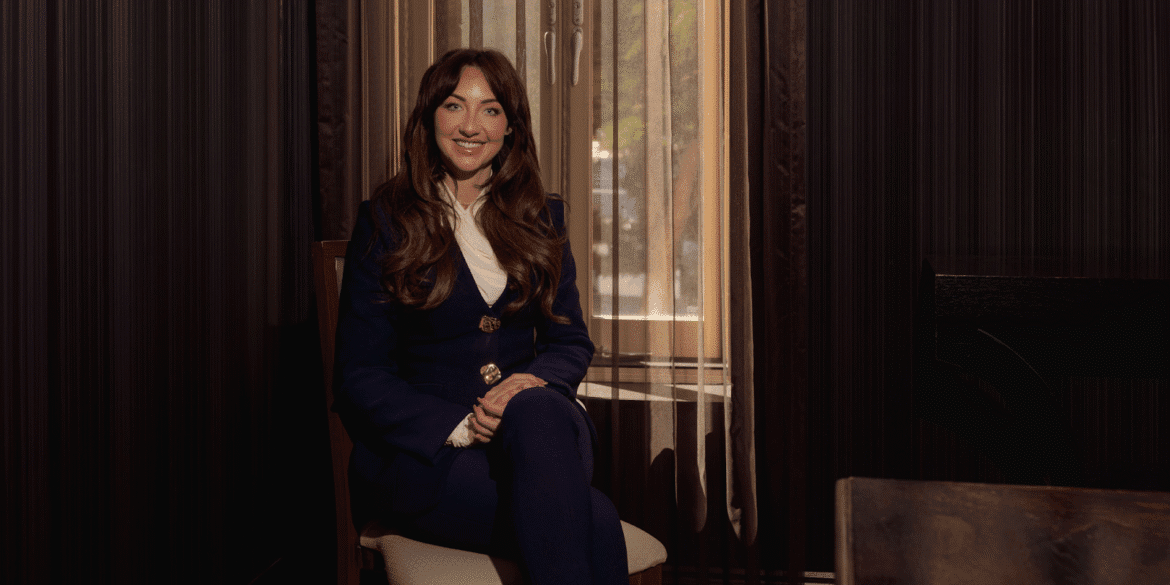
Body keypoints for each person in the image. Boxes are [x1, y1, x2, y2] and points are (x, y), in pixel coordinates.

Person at [333, 48, 629, 584]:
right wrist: (462, 427)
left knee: (537, 410)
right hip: (427, 458)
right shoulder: (385, 220)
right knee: (597, 519)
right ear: (429, 118)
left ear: (511, 125)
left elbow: (570, 341)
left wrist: (527, 383)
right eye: (454, 106)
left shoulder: (543, 215)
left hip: (534, 441)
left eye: (490, 110)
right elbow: (360, 376)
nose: (471, 126)